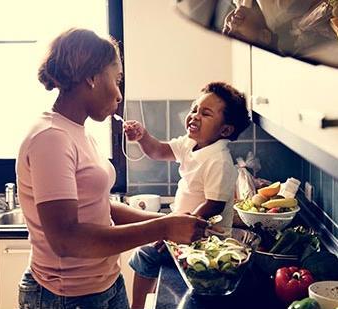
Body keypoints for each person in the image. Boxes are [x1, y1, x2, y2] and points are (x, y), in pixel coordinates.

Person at [15, 28, 208, 309]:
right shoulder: (50, 138)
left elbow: (99, 207)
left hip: (105, 284)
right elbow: (66, 240)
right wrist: (163, 227)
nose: (118, 94)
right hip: (66, 297)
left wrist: (167, 221)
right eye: (116, 79)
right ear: (92, 77)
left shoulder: (78, 132)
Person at [124, 82, 251, 309]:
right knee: (149, 253)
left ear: (225, 130)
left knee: (145, 254)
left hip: (205, 239)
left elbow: (214, 205)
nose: (195, 116)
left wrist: (176, 229)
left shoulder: (219, 160)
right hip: (182, 229)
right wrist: (143, 136)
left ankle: (136, 306)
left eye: (206, 113)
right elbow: (158, 150)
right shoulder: (190, 143)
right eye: (195, 109)